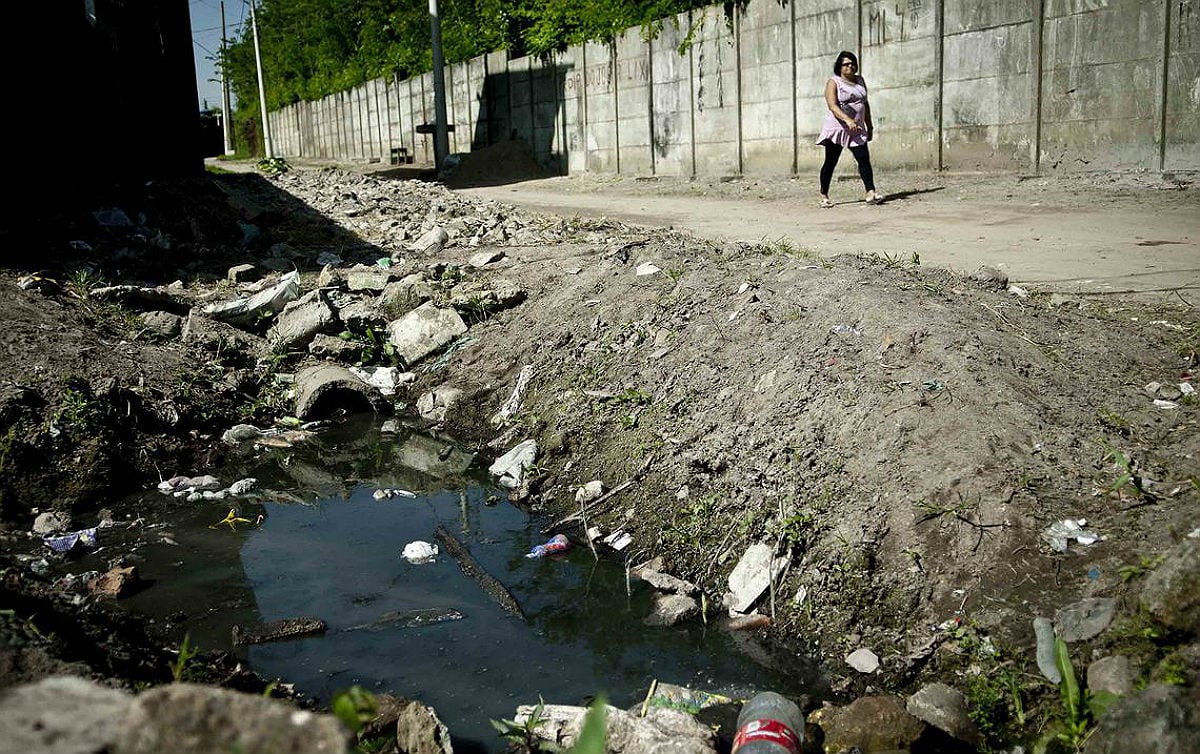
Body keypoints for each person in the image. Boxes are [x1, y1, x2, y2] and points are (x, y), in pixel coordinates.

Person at [816, 51, 883, 207]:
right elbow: (832, 105)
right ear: (840, 66)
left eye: (852, 63)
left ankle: (871, 192)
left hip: (857, 128)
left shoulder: (860, 81)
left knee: (863, 159)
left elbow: (865, 104)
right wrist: (847, 119)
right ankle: (824, 195)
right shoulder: (834, 82)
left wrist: (870, 126)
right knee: (831, 161)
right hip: (838, 127)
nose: (850, 66)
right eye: (846, 64)